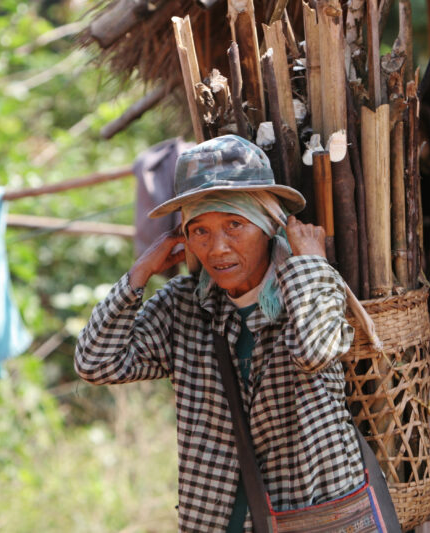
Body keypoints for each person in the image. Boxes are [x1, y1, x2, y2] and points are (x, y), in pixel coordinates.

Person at [75, 135, 366, 532]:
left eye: (235, 224)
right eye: (200, 231)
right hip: (216, 521)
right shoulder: (184, 307)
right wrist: (140, 273)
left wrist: (311, 265)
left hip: (311, 517)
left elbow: (315, 351)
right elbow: (95, 363)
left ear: (267, 225)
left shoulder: (309, 288)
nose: (218, 249)